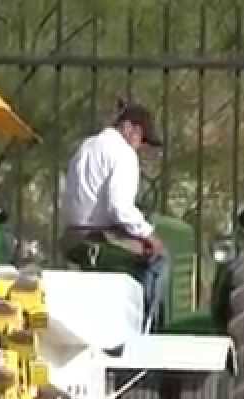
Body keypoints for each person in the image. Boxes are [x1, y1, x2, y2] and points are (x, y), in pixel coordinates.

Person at [62, 102, 166, 328]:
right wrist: (149, 235)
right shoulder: (123, 153)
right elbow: (119, 208)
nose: (140, 145)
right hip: (97, 237)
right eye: (141, 138)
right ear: (128, 127)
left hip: (72, 237)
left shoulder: (85, 147)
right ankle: (144, 329)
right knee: (159, 259)